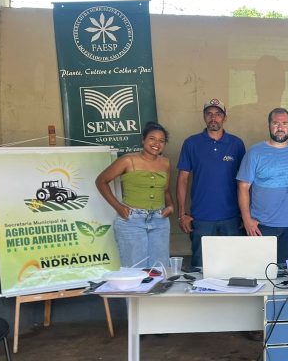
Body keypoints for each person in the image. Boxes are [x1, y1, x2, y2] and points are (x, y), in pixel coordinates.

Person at [176, 98, 246, 269]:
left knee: (233, 266)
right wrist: (182, 214)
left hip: (231, 217)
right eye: (209, 114)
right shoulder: (191, 143)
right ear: (204, 117)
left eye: (218, 114)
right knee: (201, 267)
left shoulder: (236, 144)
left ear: (225, 118)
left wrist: (246, 214)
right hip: (201, 218)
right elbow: (182, 179)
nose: (213, 118)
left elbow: (245, 182)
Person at [95, 122, 173, 268]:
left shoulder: (165, 163)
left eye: (161, 141)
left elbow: (165, 190)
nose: (156, 143)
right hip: (132, 220)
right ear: (143, 140)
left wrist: (170, 206)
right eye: (152, 138)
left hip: (159, 221)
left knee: (159, 269)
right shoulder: (127, 160)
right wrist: (118, 207)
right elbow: (101, 181)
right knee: (135, 270)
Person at [237, 108, 288, 265]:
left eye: (284, 123)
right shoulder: (255, 153)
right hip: (260, 226)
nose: (280, 127)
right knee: (260, 272)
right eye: (275, 123)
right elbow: (242, 188)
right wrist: (247, 219)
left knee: (283, 274)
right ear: (269, 125)